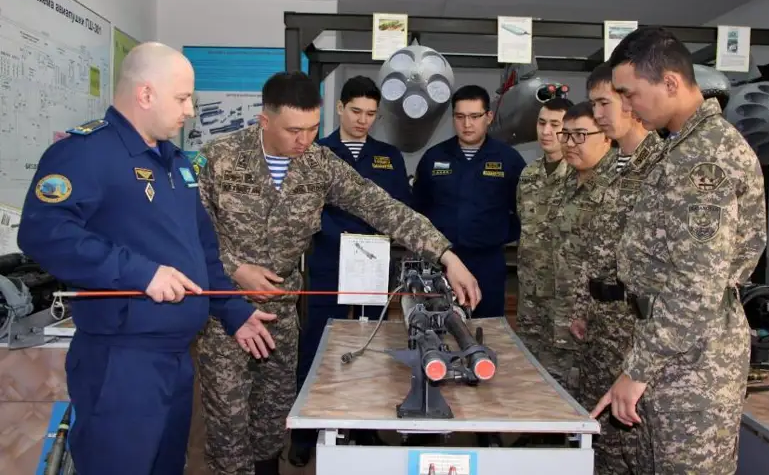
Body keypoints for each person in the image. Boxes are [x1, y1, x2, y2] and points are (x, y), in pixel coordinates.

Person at [195, 71, 481, 475]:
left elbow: (384, 207)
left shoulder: (319, 164)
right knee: (227, 419)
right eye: (293, 130)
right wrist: (235, 268)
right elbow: (189, 232)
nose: (304, 140)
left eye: (313, 128)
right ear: (264, 120)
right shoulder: (219, 157)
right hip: (224, 310)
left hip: (280, 311)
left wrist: (447, 255)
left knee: (273, 414)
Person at [16, 42, 277, 475]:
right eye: (182, 98)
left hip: (175, 360)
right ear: (145, 94)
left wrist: (234, 312)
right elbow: (43, 233)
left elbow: (201, 254)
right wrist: (140, 273)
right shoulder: (86, 153)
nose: (190, 110)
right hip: (121, 362)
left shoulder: (175, 163)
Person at [590, 27, 767, 474]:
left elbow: (697, 284)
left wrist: (638, 370)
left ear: (670, 83)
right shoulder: (683, 147)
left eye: (630, 94)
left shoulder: (703, 158)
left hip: (693, 363)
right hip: (672, 348)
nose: (627, 106)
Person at [291, 76, 411, 464]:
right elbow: (304, 206)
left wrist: (370, 240)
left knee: (370, 343)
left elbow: (398, 208)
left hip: (374, 265)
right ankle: (306, 431)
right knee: (318, 343)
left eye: (371, 114)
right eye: (356, 111)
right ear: (340, 108)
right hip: (329, 261)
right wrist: (340, 235)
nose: (362, 120)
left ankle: (365, 424)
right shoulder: (316, 151)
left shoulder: (388, 157)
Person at [566, 63, 663, 474]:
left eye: (604, 103)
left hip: (637, 330)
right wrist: (583, 307)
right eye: (594, 104)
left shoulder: (661, 164)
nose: (598, 114)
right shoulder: (609, 169)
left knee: (636, 446)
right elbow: (594, 250)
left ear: (629, 100)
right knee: (601, 441)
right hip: (601, 325)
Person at [413, 84, 527, 318]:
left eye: (475, 116)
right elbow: (418, 209)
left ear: (489, 117)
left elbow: (524, 211)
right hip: (441, 262)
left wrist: (498, 234)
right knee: (438, 325)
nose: (467, 124)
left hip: (487, 263)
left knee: (488, 326)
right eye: (460, 117)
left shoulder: (508, 160)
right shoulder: (434, 158)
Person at [548, 101, 614, 394]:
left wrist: (584, 311)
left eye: (580, 135)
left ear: (607, 137)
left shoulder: (617, 187)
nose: (570, 143)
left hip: (598, 323)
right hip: (558, 312)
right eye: (566, 134)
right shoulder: (564, 183)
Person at [515, 97, 573, 360]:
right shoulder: (529, 174)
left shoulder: (581, 175)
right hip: (530, 294)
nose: (546, 131)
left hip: (565, 298)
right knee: (529, 364)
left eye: (555, 125)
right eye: (542, 123)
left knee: (564, 368)